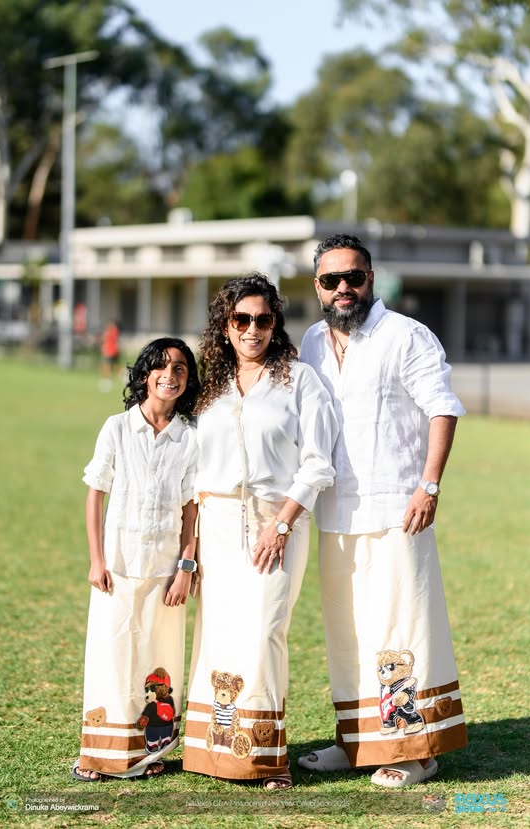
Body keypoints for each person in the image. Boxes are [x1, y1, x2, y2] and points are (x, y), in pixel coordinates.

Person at [298, 233, 468, 788]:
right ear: (317, 287)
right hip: (335, 513)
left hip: (399, 509)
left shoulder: (406, 335)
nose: (343, 288)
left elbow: (442, 409)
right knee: (348, 632)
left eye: (355, 277)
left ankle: (415, 751)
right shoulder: (311, 343)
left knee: (400, 629)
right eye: (331, 280)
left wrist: (430, 485)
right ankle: (355, 742)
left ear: (371, 279)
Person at [182, 273, 338, 790]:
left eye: (263, 319)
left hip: (277, 521)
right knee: (220, 633)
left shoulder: (300, 380)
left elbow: (318, 463)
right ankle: (218, 750)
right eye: (241, 319)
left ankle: (268, 758)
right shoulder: (210, 387)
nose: (252, 329)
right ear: (225, 326)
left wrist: (283, 522)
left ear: (276, 324)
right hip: (218, 526)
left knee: (267, 629)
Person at [73, 337, 200, 781]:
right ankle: (101, 753)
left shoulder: (190, 437)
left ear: (189, 379)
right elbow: (95, 494)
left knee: (157, 658)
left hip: (165, 571)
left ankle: (150, 753)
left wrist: (187, 568)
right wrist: (96, 559)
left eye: (181, 368)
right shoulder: (117, 428)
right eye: (161, 366)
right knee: (113, 652)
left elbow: (191, 510)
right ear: (145, 374)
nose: (170, 375)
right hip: (117, 567)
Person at [100, 320, 121, 389]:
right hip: (111, 351)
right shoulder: (111, 331)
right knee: (113, 366)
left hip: (110, 351)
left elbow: (107, 340)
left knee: (108, 366)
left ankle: (107, 381)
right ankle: (123, 376)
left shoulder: (112, 331)